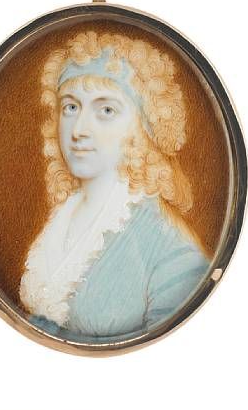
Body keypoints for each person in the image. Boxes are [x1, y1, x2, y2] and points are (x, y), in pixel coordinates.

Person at [19, 30, 210, 340]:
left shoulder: (168, 246)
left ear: (141, 127)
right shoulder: (64, 214)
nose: (79, 130)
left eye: (106, 110)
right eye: (70, 107)